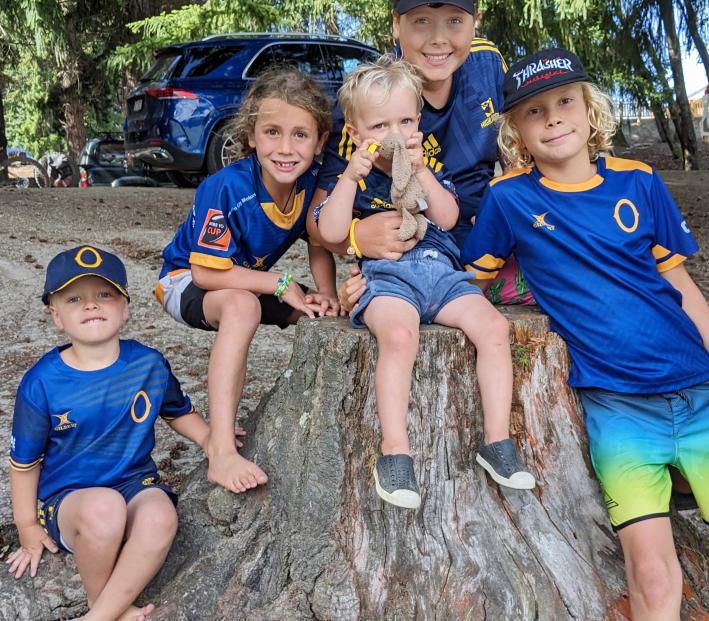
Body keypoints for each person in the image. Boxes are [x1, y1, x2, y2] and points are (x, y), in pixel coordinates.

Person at [461, 48, 709, 621]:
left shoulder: (639, 181)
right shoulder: (509, 199)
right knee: (652, 572)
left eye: (564, 102)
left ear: (589, 109)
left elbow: (681, 286)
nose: (553, 119)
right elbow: (468, 283)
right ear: (516, 130)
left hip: (701, 395)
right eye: (534, 112)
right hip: (618, 412)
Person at [311, 57, 534, 509]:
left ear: (418, 123)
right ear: (353, 134)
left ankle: (497, 441)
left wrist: (423, 172)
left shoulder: (424, 167)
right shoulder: (349, 177)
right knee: (399, 336)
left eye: (406, 121)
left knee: (494, 330)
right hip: (388, 278)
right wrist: (351, 177)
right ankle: (395, 451)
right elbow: (332, 230)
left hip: (442, 273)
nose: (395, 134)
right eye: (380, 125)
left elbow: (449, 218)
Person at [7, 246, 222, 621]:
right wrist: (27, 526)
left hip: (133, 483)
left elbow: (178, 412)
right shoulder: (42, 382)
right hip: (72, 500)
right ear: (56, 316)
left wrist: (209, 439)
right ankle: (101, 604)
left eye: (104, 294)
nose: (92, 305)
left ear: (125, 307)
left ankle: (100, 615)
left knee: (160, 517)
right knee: (105, 509)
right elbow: (25, 463)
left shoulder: (147, 364)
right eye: (75, 298)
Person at [155, 67, 338, 494]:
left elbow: (316, 240)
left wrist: (326, 294)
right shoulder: (226, 186)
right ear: (252, 135)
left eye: (300, 135)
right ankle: (220, 447)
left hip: (250, 281)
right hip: (187, 280)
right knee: (243, 306)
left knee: (322, 316)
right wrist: (278, 283)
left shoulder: (311, 183)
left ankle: (319, 424)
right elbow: (204, 271)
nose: (286, 148)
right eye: (272, 132)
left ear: (320, 141)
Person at [319, 0, 534, 306]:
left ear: (476, 21)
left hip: (483, 240)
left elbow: (515, 157)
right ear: (396, 24)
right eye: (421, 21)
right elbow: (320, 216)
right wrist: (355, 237)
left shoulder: (487, 62)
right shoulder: (368, 100)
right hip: (408, 252)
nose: (438, 38)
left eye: (455, 21)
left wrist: (507, 217)